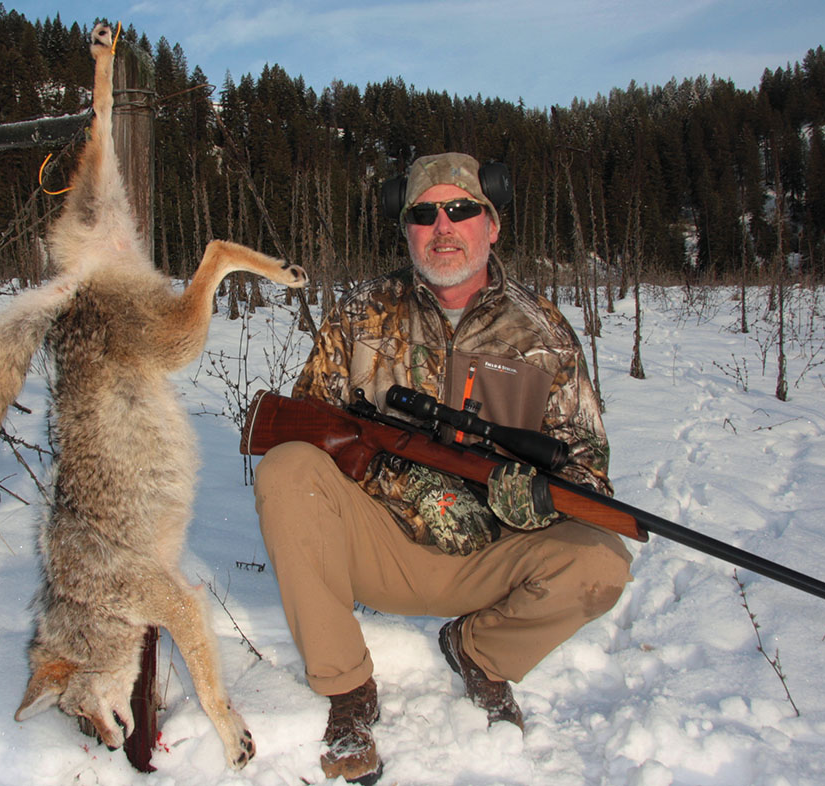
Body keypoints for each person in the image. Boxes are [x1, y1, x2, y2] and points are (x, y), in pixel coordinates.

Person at [252, 152, 633, 785]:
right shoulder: (359, 314)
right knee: (286, 471)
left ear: (493, 224)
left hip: (494, 558)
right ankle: (347, 691)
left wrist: (540, 498)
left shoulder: (544, 330)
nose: (443, 227)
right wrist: (391, 471)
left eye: (461, 209)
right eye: (424, 214)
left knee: (602, 561)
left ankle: (478, 652)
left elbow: (588, 463)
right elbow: (307, 428)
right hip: (383, 549)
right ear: (405, 228)